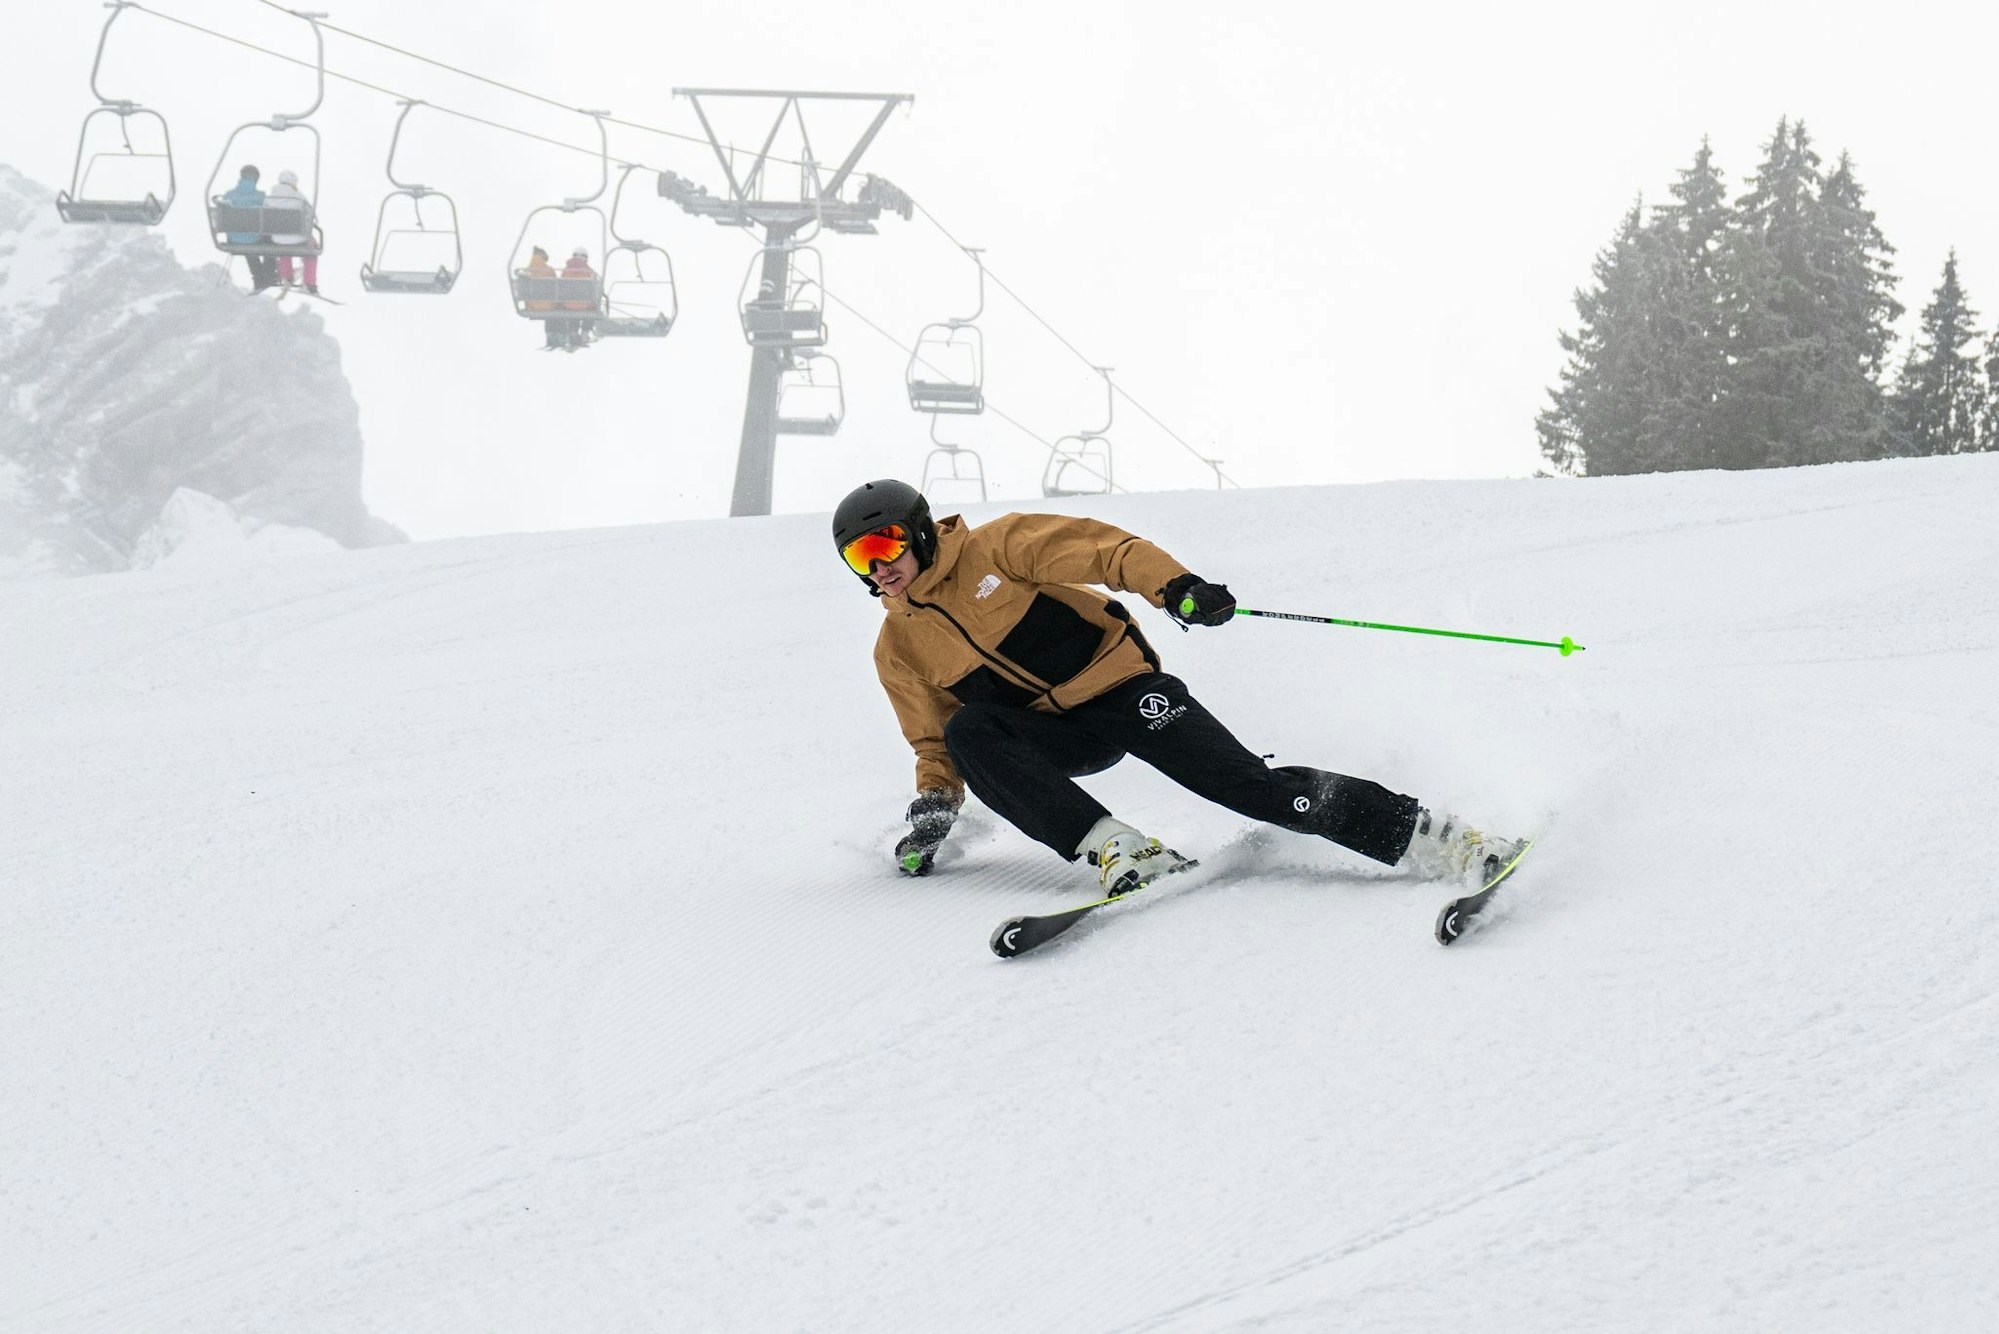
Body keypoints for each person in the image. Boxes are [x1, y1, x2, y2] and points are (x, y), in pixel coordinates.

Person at [832, 479, 1518, 896]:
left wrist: (1175, 587)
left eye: (885, 544)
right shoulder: (898, 648)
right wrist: (934, 804)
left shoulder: (997, 546)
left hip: (1122, 690)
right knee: (966, 731)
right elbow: (932, 739)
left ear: (920, 531)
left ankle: (1444, 841)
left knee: (1248, 787)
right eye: (860, 557)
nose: (879, 566)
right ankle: (1118, 849)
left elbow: (1106, 550)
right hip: (1055, 735)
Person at [220, 165, 278, 293]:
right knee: (269, 239)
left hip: (234, 239)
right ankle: (269, 274)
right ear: (256, 179)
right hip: (254, 238)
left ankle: (259, 280)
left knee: (246, 241)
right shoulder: (261, 197)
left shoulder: (229, 195)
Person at [266, 169, 318, 295]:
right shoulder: (299, 197)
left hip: (277, 238)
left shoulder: (269, 198)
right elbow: (311, 216)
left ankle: (287, 277)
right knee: (313, 248)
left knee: (284, 248)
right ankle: (309, 283)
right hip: (297, 238)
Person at [519, 246, 566, 349]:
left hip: (532, 306)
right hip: (548, 305)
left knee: (550, 308)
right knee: (557, 307)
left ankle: (549, 336)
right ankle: (560, 335)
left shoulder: (526, 272)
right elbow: (556, 287)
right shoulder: (549, 270)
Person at [559, 247, 599, 350]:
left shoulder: (565, 271)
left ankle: (573, 333)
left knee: (571, 306)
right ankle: (585, 333)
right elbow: (594, 289)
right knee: (592, 307)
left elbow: (561, 286)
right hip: (585, 305)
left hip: (568, 304)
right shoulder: (589, 272)